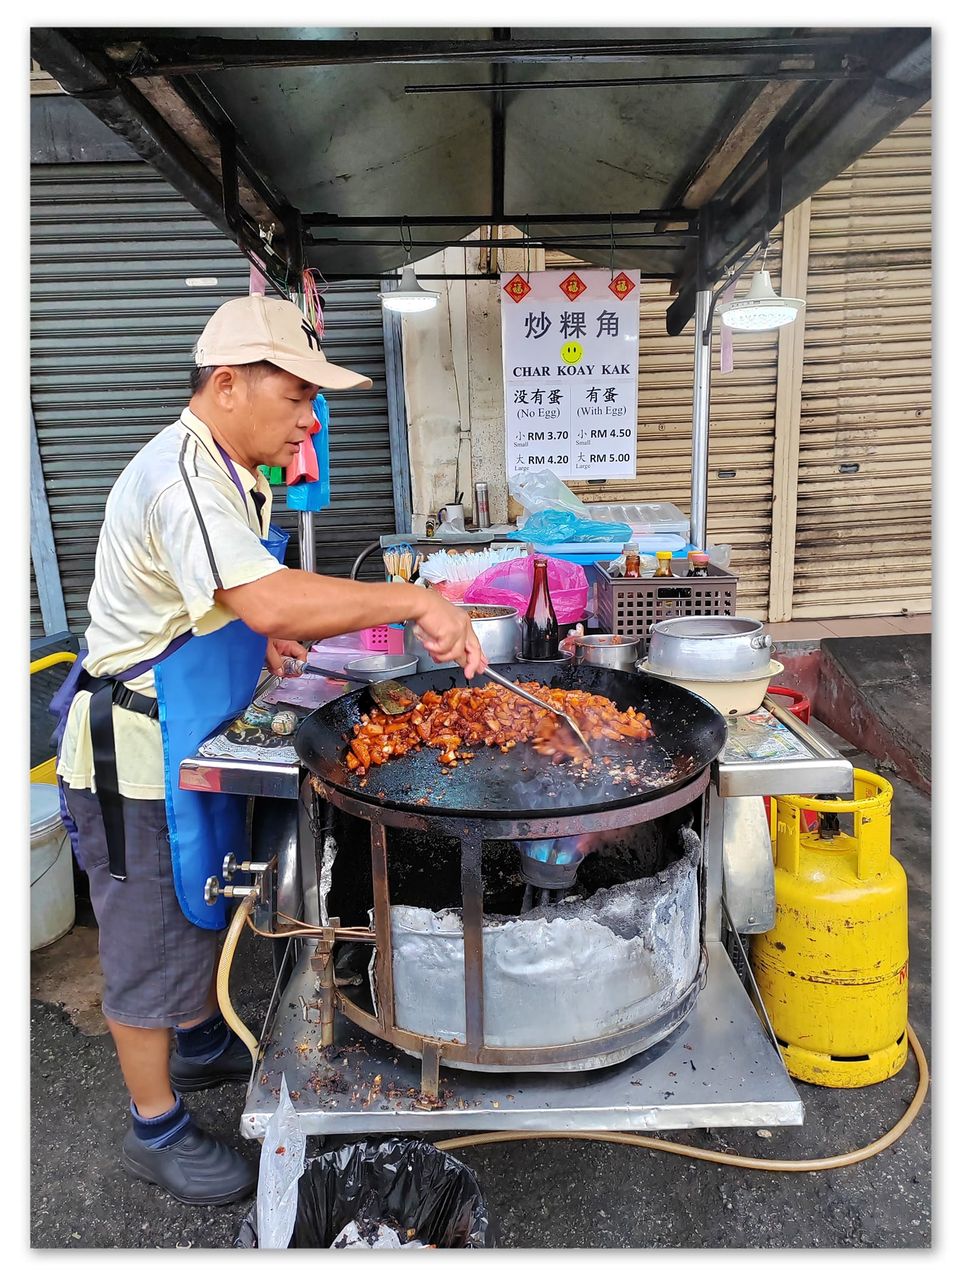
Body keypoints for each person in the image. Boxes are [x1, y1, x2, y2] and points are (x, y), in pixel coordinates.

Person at [54, 294, 486, 1206]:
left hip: (190, 718)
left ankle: (202, 1036)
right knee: (146, 937)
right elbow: (270, 597)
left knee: (208, 892)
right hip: (136, 750)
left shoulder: (229, 469)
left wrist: (261, 644)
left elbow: (219, 602)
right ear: (226, 385)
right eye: (295, 397)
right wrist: (413, 602)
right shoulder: (183, 476)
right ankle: (154, 1128)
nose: (308, 419)